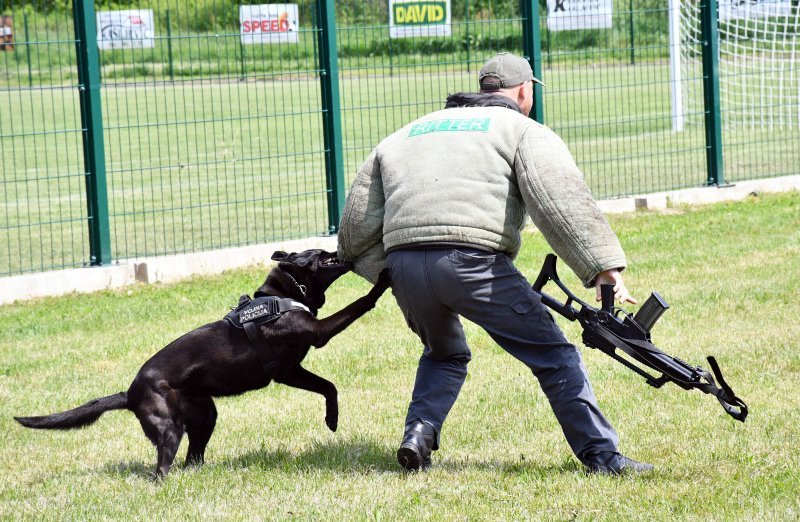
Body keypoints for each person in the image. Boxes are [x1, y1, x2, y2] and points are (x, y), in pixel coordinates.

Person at [337, 52, 653, 475]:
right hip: (472, 261)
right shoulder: (522, 130)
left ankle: (418, 436)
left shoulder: (404, 134)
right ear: (525, 91)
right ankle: (604, 458)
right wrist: (602, 268)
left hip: (406, 265)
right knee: (554, 355)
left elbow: (354, 227)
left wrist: (386, 270)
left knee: (444, 352)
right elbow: (561, 202)